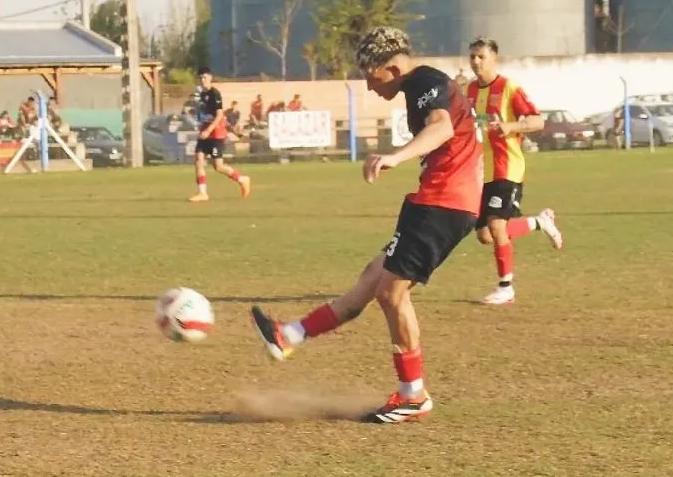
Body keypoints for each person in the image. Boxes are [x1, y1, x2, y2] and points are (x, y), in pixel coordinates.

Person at [250, 26, 482, 424]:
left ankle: (413, 395)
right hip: (439, 199)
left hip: (446, 201)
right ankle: (289, 335)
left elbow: (441, 126)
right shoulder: (418, 85)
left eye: (371, 77)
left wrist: (395, 156)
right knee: (372, 280)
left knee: (391, 293)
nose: (369, 87)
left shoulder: (425, 81)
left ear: (391, 68)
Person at [466, 37, 562, 306]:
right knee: (486, 235)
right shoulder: (470, 91)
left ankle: (506, 287)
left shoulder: (509, 88)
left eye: (481, 57)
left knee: (497, 226)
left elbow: (538, 120)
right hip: (482, 171)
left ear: (494, 59)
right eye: (472, 56)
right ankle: (539, 222)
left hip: (508, 168)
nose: (476, 62)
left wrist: (511, 127)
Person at [188, 66, 251, 202]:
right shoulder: (202, 95)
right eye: (200, 78)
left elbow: (219, 115)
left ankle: (242, 179)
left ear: (210, 78)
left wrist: (209, 130)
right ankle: (202, 193)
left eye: (205, 77)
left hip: (216, 135)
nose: (202, 80)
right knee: (199, 160)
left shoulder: (214, 94)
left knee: (219, 166)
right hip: (205, 133)